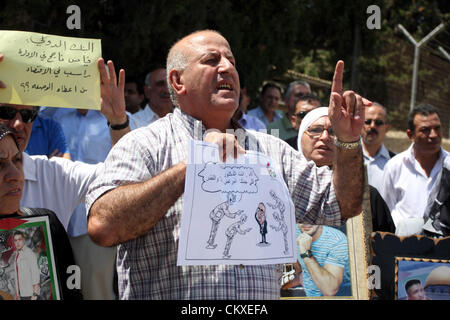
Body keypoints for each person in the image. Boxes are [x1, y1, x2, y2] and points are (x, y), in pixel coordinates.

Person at [86, 30, 369, 300]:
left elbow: (342, 204)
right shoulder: (144, 144)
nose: (226, 68)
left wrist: (348, 141)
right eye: (211, 60)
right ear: (177, 81)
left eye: (231, 61)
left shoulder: (271, 150)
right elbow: (103, 226)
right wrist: (194, 167)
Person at [0, 53, 130, 299]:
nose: (18, 124)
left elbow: (124, 179)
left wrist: (117, 121)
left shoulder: (56, 175)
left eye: (27, 116)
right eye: (6, 112)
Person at [0, 123, 82, 299]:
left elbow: (72, 292)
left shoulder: (48, 225)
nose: (15, 175)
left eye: (16, 160)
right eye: (0, 164)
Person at [380, 104, 448, 236]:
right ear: (410, 135)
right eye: (425, 130)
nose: (433, 135)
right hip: (403, 248)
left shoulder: (449, 166)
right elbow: (385, 212)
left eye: (437, 128)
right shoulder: (395, 167)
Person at [296, 223, 351, 297]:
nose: (306, 221)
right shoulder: (293, 231)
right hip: (309, 295)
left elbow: (329, 290)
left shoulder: (337, 240)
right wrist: (299, 273)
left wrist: (306, 253)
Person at [361, 102, 395, 192]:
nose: (372, 126)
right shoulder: (346, 157)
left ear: (386, 128)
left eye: (378, 122)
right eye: (368, 122)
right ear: (360, 125)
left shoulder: (396, 163)